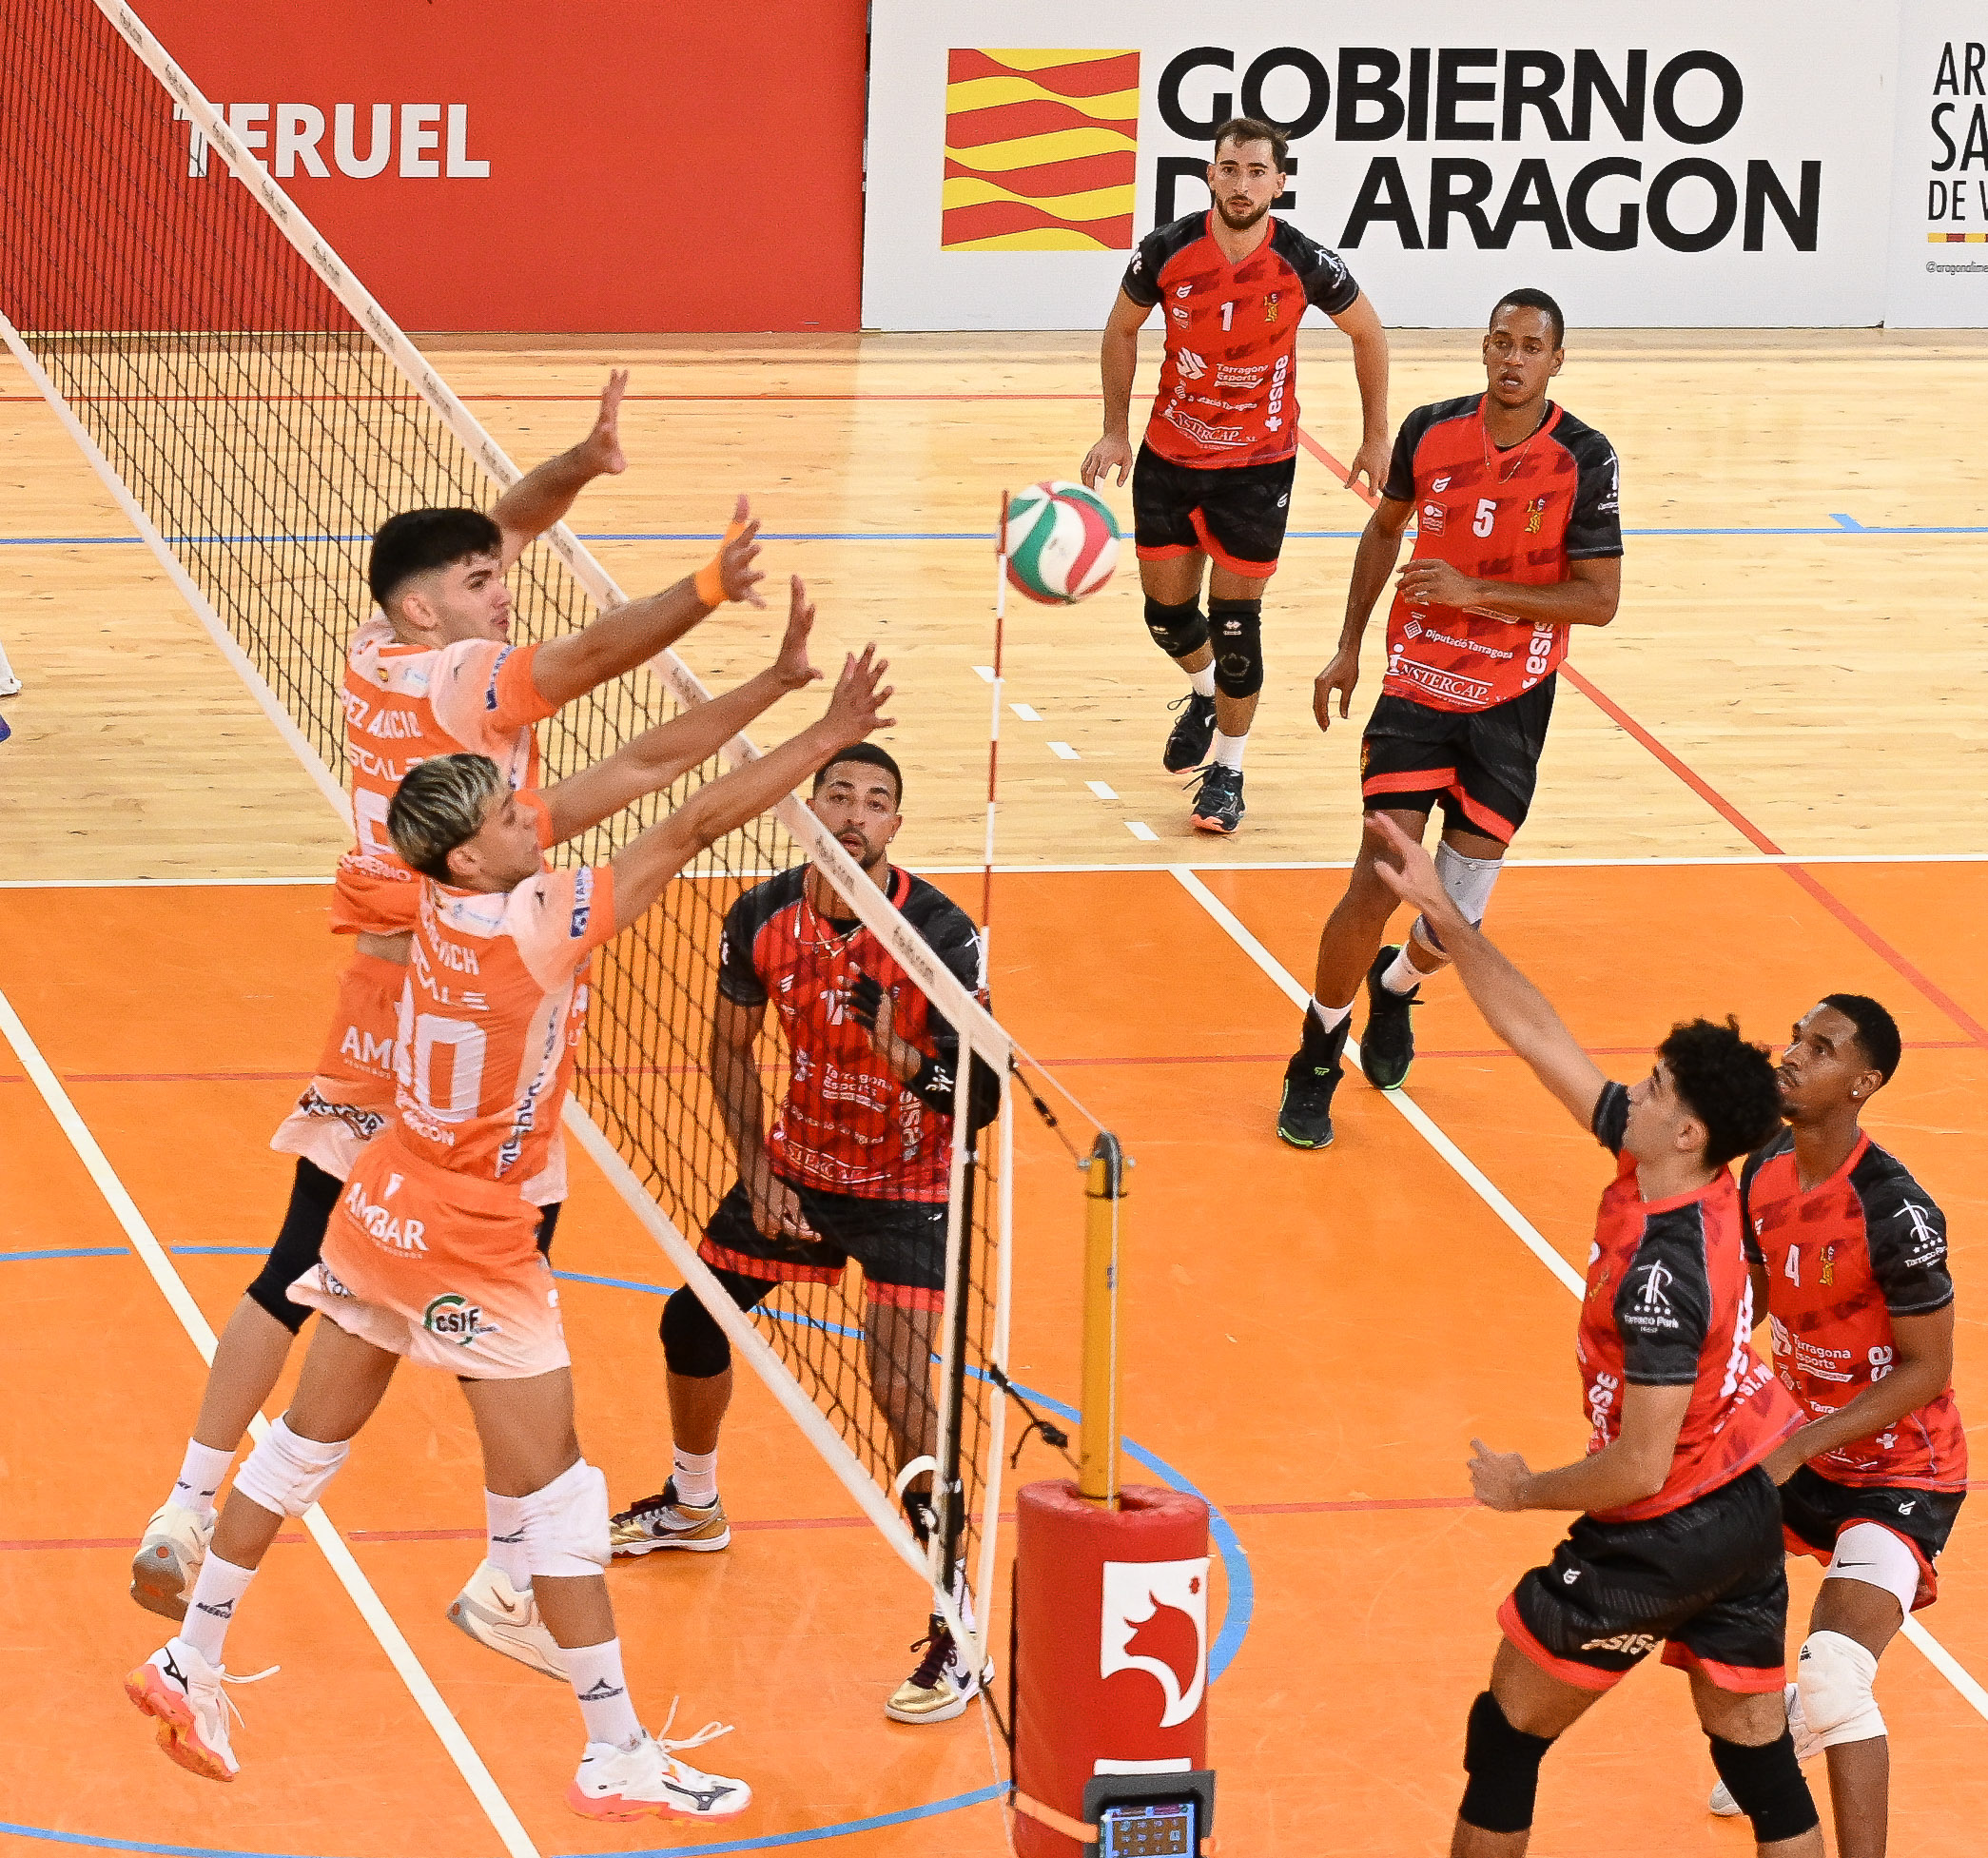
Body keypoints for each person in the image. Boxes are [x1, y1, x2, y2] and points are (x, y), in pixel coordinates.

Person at [124, 633, 895, 1819]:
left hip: (384, 1199)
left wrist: (773, 686)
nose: (530, 811)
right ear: (472, 852)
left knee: (301, 1447)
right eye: (505, 811)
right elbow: (689, 822)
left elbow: (641, 768)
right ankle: (613, 1750)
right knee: (557, 1498)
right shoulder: (539, 921)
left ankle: (193, 1656)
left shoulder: (433, 893)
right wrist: (828, 734)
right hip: (473, 1240)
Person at [130, 370, 767, 1673]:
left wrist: (580, 464)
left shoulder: (377, 647)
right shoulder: (463, 681)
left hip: (385, 985)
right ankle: (509, 1569)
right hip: (450, 983)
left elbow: (501, 526)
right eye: (484, 583)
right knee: (495, 1249)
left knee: (311, 1259)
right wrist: (709, 585)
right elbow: (588, 660)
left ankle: (191, 1504)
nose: (505, 585)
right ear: (434, 610)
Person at [1364, 814, 1823, 1858]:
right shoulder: (1671, 1169)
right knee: (1757, 1763)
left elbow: (1639, 1464)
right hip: (1741, 1510)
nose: (1631, 1089)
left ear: (1687, 1132)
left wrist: (1522, 1489)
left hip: (1663, 1531)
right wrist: (1445, 917)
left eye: (1654, 1087)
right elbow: (1538, 1034)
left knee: (1505, 1737)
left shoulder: (1664, 1274)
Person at [608, 742, 998, 1726]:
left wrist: (900, 1054)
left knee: (903, 1402)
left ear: (896, 826)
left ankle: (957, 1626)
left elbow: (984, 1094)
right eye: (840, 795)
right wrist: (755, 1166)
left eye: (877, 801)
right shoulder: (761, 915)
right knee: (691, 1323)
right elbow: (729, 1047)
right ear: (810, 809)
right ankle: (692, 1503)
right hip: (797, 1172)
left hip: (909, 1190)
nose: (855, 813)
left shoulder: (939, 934)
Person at [1277, 289, 1622, 1149]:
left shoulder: (1584, 457)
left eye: (1531, 346)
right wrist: (1348, 645)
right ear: (1484, 348)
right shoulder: (1430, 430)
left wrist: (1477, 593)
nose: (1514, 358)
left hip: (1512, 700)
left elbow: (1600, 600)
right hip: (1417, 687)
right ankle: (1316, 1053)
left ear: (1556, 360)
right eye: (1502, 341)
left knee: (1453, 921)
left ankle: (1396, 986)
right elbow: (1383, 530)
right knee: (1377, 879)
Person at [1704, 994, 1965, 1857]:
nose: (1791, 1054)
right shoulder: (1766, 1165)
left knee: (1834, 1672)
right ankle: (1778, 1731)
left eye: (1820, 1047)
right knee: (1692, 1594)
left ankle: (1807, 1714)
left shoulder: (1895, 1212)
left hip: (1899, 1473)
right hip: (1799, 1446)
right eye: (1795, 1037)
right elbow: (1756, 1295)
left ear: (1863, 1082)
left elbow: (1929, 1368)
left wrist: (1802, 1443)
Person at [1080, 116, 1389, 836]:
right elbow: (1120, 328)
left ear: (1279, 183)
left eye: (1256, 171)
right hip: (1169, 457)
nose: (1241, 183)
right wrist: (1116, 429)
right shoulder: (1165, 250)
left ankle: (1228, 769)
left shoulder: (1304, 261)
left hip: (1257, 468)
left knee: (1235, 624)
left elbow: (1368, 331)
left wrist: (1376, 436)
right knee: (1166, 617)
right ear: (1209, 176)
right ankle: (1203, 690)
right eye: (1229, 168)